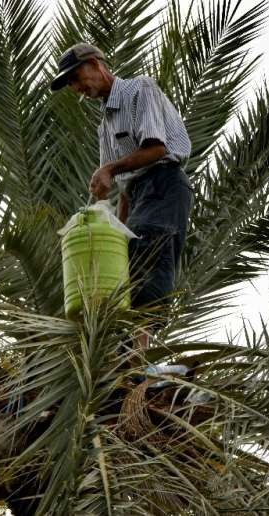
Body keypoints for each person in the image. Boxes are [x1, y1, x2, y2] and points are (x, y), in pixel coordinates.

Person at [50, 42, 194, 354]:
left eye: (76, 78)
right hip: (139, 195)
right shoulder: (106, 127)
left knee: (150, 262)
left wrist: (110, 169)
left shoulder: (138, 90)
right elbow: (123, 187)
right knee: (128, 265)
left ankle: (139, 360)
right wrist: (118, 233)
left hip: (164, 184)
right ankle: (128, 353)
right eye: (71, 84)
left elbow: (156, 148)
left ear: (96, 65)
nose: (77, 88)